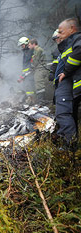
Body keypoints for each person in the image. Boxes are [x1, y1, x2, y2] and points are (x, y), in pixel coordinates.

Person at [54, 17, 81, 146]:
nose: (58, 34)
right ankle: (70, 145)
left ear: (72, 29)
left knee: (64, 113)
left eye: (60, 31)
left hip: (70, 84)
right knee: (69, 114)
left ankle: (69, 146)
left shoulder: (77, 39)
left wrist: (66, 71)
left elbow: (78, 53)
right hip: (69, 85)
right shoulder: (68, 44)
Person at [17, 36, 35, 101]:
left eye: (22, 45)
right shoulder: (25, 52)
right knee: (26, 86)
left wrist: (30, 70)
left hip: (30, 72)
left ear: (26, 43)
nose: (22, 46)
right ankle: (28, 99)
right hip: (26, 72)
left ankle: (31, 100)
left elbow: (32, 61)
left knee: (29, 86)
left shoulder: (30, 51)